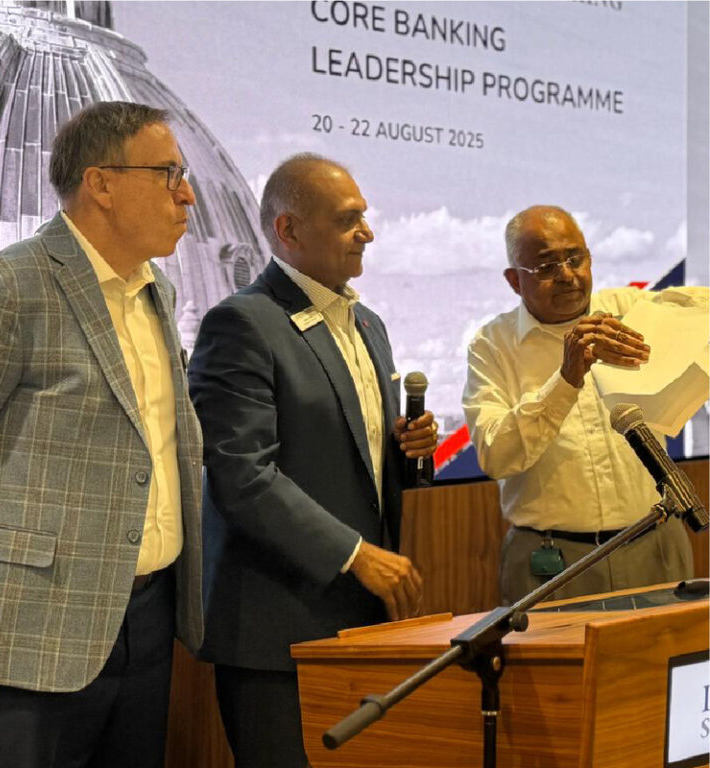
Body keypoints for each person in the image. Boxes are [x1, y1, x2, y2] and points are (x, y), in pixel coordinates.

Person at [0, 101, 204, 768]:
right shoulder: (4, 289)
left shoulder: (158, 293)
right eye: (169, 174)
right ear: (102, 184)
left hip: (147, 622)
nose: (187, 195)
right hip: (24, 634)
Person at [188, 153, 438, 768]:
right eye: (348, 219)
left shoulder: (368, 325)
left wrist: (408, 448)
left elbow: (351, 458)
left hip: (364, 620)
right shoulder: (241, 322)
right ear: (289, 230)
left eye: (365, 217)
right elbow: (241, 474)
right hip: (279, 632)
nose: (367, 233)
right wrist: (357, 554)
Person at [463, 204, 703, 604]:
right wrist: (565, 380)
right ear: (514, 280)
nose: (567, 274)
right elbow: (496, 456)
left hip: (655, 544)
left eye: (576, 258)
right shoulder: (492, 345)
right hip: (554, 561)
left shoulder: (629, 311)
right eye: (547, 266)